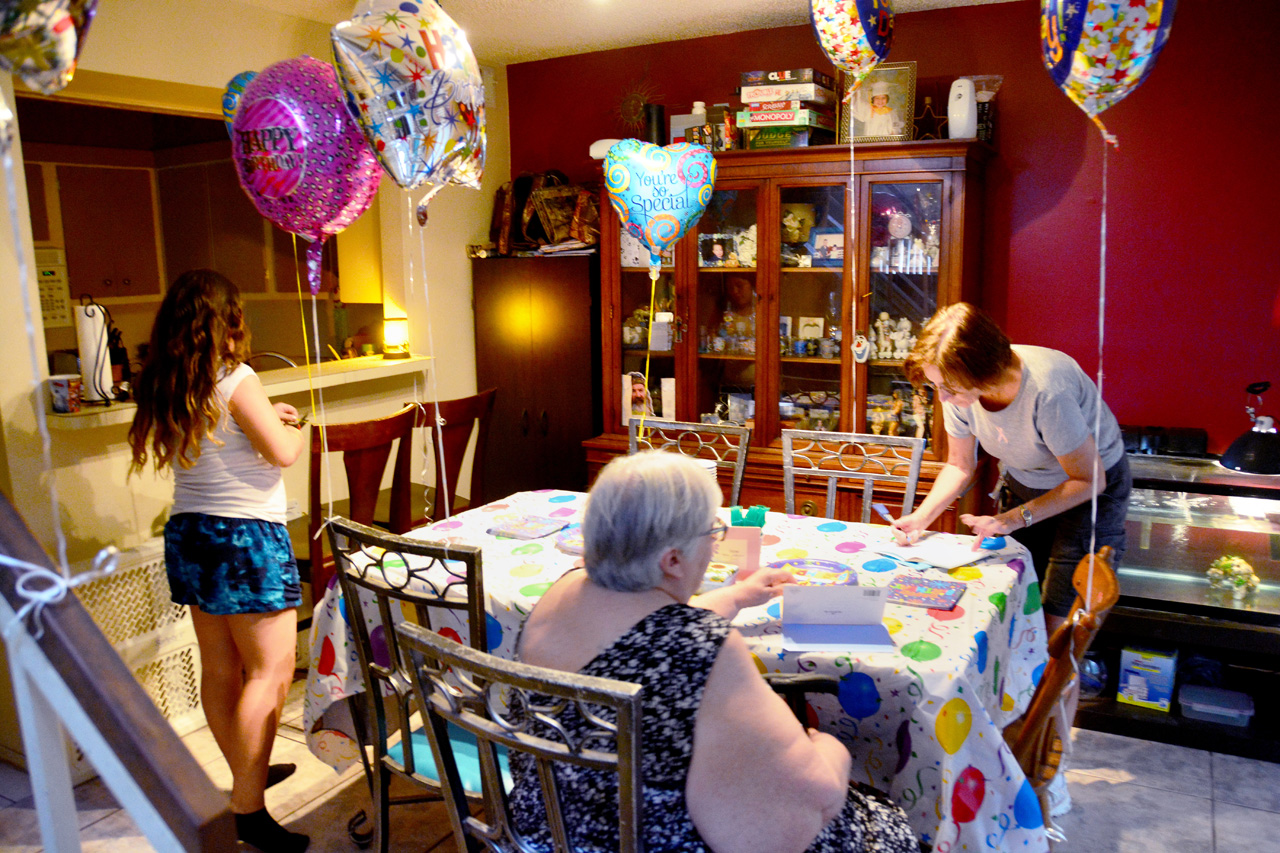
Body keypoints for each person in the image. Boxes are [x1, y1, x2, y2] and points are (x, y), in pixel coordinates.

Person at [511, 451, 920, 853]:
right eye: (712, 532)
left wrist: (736, 596)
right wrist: (831, 749)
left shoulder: (563, 591)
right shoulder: (703, 645)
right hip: (643, 837)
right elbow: (808, 804)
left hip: (546, 827)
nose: (715, 542)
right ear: (672, 560)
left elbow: (641, 634)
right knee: (885, 824)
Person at [890, 302, 1130, 817]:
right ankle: (1003, 747)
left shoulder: (1047, 390)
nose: (945, 398)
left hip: (1088, 490)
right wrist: (923, 517)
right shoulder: (955, 387)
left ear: (982, 369)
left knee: (1052, 638)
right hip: (1029, 485)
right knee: (1008, 608)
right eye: (938, 388)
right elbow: (959, 463)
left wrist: (1012, 520)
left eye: (949, 388)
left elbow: (1090, 480)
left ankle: (1049, 771)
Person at [127, 270, 309, 853]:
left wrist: (265, 412)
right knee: (271, 672)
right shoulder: (238, 377)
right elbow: (281, 453)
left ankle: (244, 775)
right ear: (224, 321)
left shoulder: (167, 381)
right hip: (246, 539)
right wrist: (296, 425)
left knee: (221, 668)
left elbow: (227, 435)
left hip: (191, 534)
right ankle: (248, 812)